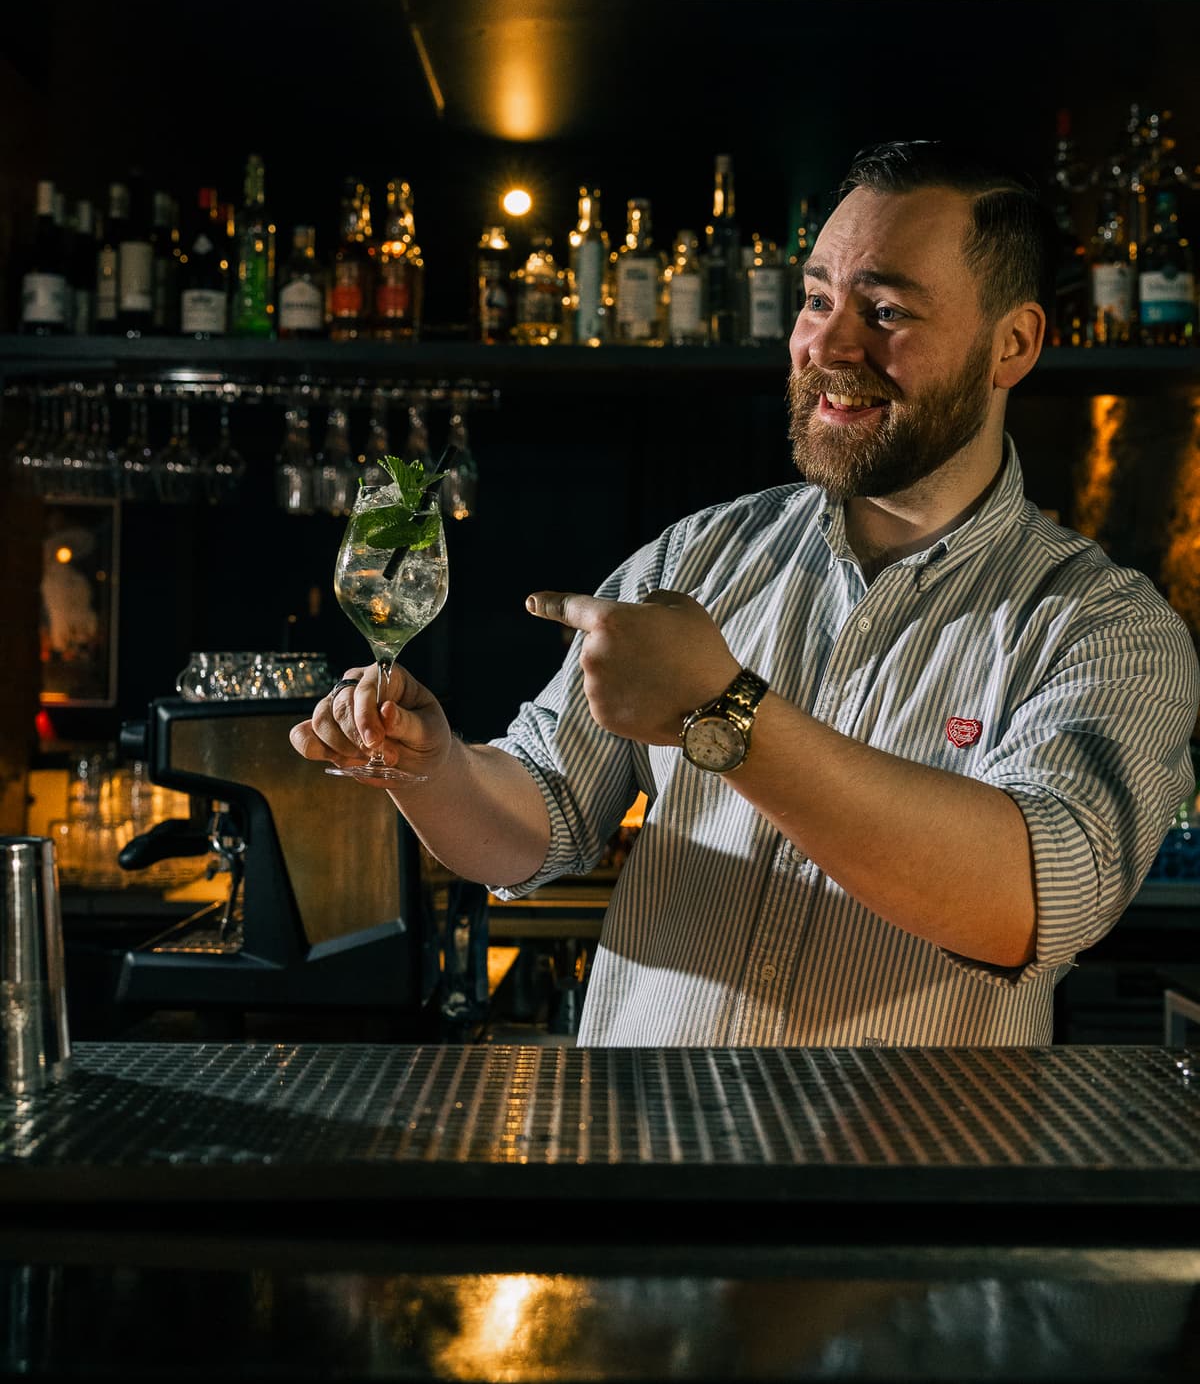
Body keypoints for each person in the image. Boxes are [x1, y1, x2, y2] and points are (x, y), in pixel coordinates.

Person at [291, 140, 1199, 1048]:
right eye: (817, 300)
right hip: (644, 1128)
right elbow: (541, 821)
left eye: (886, 311)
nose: (827, 346)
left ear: (1013, 344)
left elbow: (1028, 901)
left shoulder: (1104, 627)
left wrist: (724, 709)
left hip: (900, 1142)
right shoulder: (700, 554)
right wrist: (433, 769)